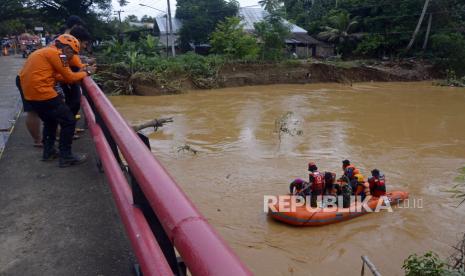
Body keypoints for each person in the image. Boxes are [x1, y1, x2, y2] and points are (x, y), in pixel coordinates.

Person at [19, 34, 95, 167]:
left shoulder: (44, 51)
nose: (73, 57)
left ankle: (49, 152)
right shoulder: (58, 55)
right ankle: (66, 156)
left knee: (50, 121)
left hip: (31, 94)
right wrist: (87, 73)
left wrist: (80, 71)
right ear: (67, 49)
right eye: (74, 53)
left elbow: (59, 76)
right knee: (69, 120)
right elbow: (70, 77)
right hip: (42, 93)